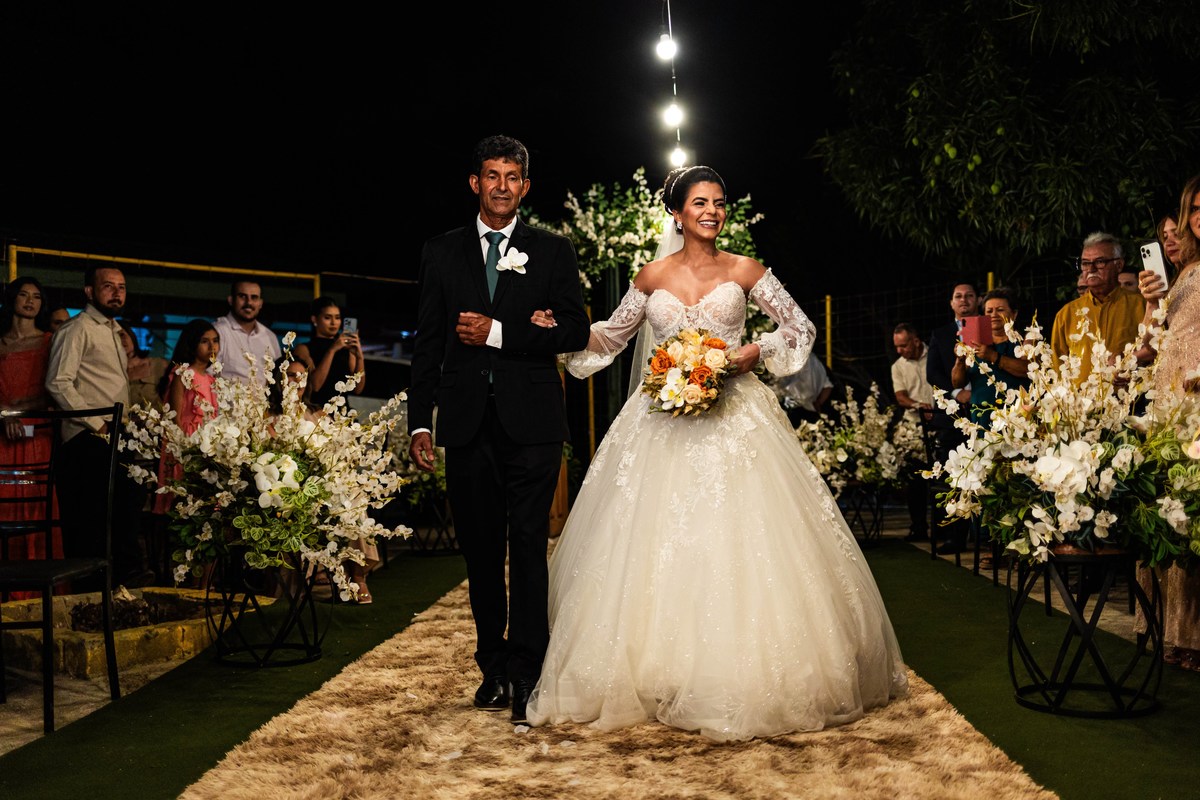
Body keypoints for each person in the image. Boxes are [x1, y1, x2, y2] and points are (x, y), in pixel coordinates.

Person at [523, 165, 907, 741]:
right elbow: (611, 337)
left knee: (744, 540)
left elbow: (799, 328)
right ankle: (656, 670)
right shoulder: (651, 275)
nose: (712, 211)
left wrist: (757, 350)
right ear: (677, 213)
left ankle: (741, 673)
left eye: (719, 203)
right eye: (700, 202)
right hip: (659, 421)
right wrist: (562, 329)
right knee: (653, 543)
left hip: (736, 417)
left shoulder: (745, 270)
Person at [406, 135, 592, 723]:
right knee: (481, 552)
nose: (502, 186)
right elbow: (428, 344)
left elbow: (575, 331)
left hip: (533, 423)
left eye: (513, 177)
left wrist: (502, 332)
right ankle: (492, 666)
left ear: (525, 187)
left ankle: (527, 671)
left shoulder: (553, 251)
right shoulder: (441, 252)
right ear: (475, 183)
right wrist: (419, 422)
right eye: (492, 175)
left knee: (528, 546)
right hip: (465, 425)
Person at [45, 266, 154, 588]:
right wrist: (98, 424)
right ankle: (91, 596)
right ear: (89, 292)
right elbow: (57, 382)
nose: (117, 292)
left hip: (115, 434)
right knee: (91, 523)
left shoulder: (114, 330)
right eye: (108, 286)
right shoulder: (77, 328)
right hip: (87, 437)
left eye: (121, 287)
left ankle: (122, 588)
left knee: (123, 514)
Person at [1135, 174, 1200, 671]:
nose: (1199, 218)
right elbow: (1147, 350)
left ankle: (1192, 636)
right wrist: (1151, 302)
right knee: (1168, 516)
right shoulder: (1185, 273)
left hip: (1196, 405)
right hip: (1167, 408)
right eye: (1194, 208)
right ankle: (1167, 630)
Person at [949, 287, 1032, 571]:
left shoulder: (1022, 342)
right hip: (981, 424)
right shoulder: (976, 342)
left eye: (1000, 310)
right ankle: (992, 545)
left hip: (1015, 423)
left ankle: (1021, 547)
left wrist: (993, 356)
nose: (994, 315)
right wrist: (960, 359)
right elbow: (957, 382)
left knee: (1016, 484)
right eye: (988, 311)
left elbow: (1027, 370)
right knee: (986, 485)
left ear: (1014, 314)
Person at [0, 277, 60, 597]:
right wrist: (4, 414)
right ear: (11, 298)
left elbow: (54, 390)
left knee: (35, 507)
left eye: (36, 296)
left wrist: (17, 412)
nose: (29, 301)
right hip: (1, 436)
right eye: (23, 294)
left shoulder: (50, 341)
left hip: (36, 434)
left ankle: (36, 592)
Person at [1050, 231, 1147, 387]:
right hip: (1080, 401)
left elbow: (1153, 354)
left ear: (1119, 265)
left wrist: (1132, 371)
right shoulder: (1066, 314)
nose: (1091, 269)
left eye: (1100, 262)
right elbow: (1058, 370)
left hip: (1130, 398)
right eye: (1085, 263)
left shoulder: (1141, 305)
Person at [925, 281, 978, 554]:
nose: (964, 300)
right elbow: (932, 373)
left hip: (984, 412)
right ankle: (953, 536)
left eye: (969, 295)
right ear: (951, 303)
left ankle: (986, 537)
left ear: (977, 300)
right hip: (951, 417)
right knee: (952, 476)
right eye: (958, 296)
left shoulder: (987, 330)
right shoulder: (941, 333)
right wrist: (957, 392)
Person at [153, 319, 220, 515]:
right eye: (204, 341)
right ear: (192, 344)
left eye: (215, 340)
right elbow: (175, 415)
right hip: (184, 442)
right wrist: (183, 447)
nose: (212, 346)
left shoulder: (211, 379)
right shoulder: (183, 373)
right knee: (182, 499)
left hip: (206, 443)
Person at [890, 322, 934, 542]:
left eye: (903, 345)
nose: (899, 350)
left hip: (939, 421)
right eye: (897, 346)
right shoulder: (898, 366)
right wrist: (919, 406)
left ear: (916, 341)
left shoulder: (933, 356)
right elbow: (901, 397)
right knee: (915, 481)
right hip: (913, 426)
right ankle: (918, 526)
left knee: (939, 479)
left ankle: (942, 528)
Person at [292, 297, 365, 411]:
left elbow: (358, 389)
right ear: (314, 319)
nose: (333, 323)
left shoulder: (346, 349)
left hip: (341, 412)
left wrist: (359, 357)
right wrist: (332, 350)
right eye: (327, 318)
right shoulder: (304, 348)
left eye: (337, 318)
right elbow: (315, 386)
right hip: (315, 411)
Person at [211, 280, 281, 385]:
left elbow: (278, 378)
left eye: (254, 297)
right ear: (231, 300)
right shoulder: (218, 331)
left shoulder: (270, 336)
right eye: (242, 296)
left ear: (260, 303)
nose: (249, 303)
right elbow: (206, 375)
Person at [118, 319, 169, 410]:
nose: (121, 340)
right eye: (115, 337)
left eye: (122, 334)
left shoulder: (159, 364)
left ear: (131, 336)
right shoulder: (112, 372)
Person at [773, 349, 834, 425]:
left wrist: (819, 402)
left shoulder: (815, 366)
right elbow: (828, 386)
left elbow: (828, 386)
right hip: (792, 399)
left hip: (798, 402)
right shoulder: (816, 368)